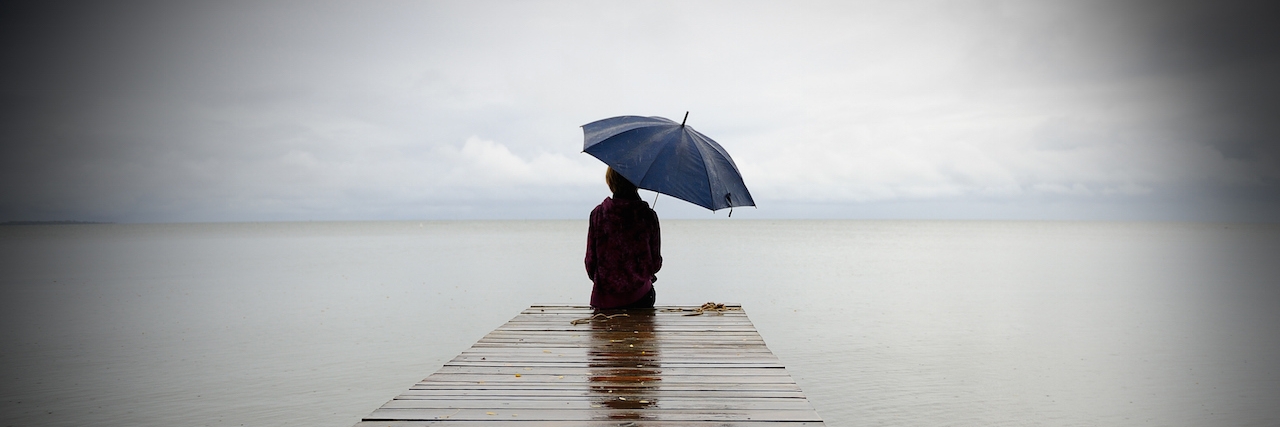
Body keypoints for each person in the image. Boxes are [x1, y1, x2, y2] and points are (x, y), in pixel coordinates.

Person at [585, 167, 662, 309]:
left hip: (605, 300)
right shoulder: (648, 216)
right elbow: (655, 263)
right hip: (641, 297)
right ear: (636, 183)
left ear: (610, 181)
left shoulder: (597, 214)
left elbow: (590, 263)